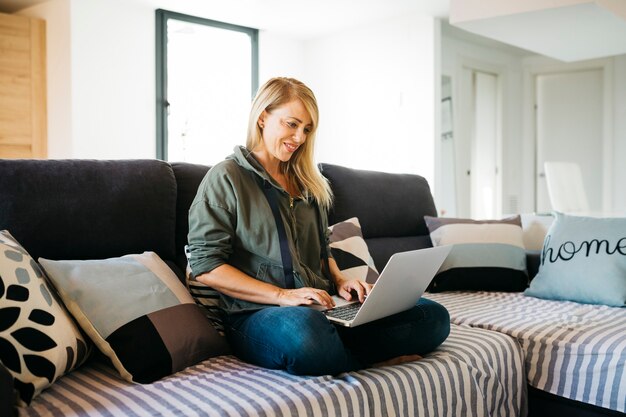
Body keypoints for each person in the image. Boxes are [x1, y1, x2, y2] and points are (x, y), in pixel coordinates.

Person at [187, 77, 450, 376]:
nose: (299, 137)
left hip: (323, 307)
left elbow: (323, 248)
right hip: (258, 313)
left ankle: (341, 349)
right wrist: (282, 296)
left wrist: (340, 281)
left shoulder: (309, 183)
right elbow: (206, 266)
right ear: (262, 117)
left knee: (432, 316)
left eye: (307, 129)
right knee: (305, 337)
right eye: (291, 124)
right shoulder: (226, 178)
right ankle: (367, 358)